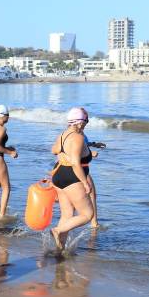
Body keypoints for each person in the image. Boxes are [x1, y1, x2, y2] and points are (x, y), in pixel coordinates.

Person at [49, 107, 95, 250]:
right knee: (88, 214)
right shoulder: (78, 138)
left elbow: (54, 150)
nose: (87, 123)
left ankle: (60, 248)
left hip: (59, 175)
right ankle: (57, 230)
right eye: (86, 121)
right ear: (80, 122)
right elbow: (76, 163)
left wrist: (67, 154)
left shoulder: (63, 134)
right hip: (72, 177)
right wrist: (85, 183)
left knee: (67, 214)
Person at [83, 135, 106, 228]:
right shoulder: (77, 134)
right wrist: (90, 153)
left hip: (74, 167)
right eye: (85, 120)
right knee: (92, 194)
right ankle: (94, 223)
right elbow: (76, 148)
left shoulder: (70, 133)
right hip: (80, 168)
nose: (86, 123)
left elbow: (83, 144)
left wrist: (93, 144)